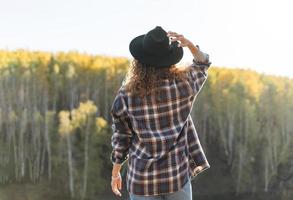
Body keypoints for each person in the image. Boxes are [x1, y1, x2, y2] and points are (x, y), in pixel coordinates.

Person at [110, 26, 211, 200]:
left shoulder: (126, 95)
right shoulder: (184, 85)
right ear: (169, 58)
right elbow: (202, 64)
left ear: (139, 61)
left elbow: (122, 138)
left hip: (142, 182)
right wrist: (190, 46)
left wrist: (115, 173)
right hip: (176, 177)